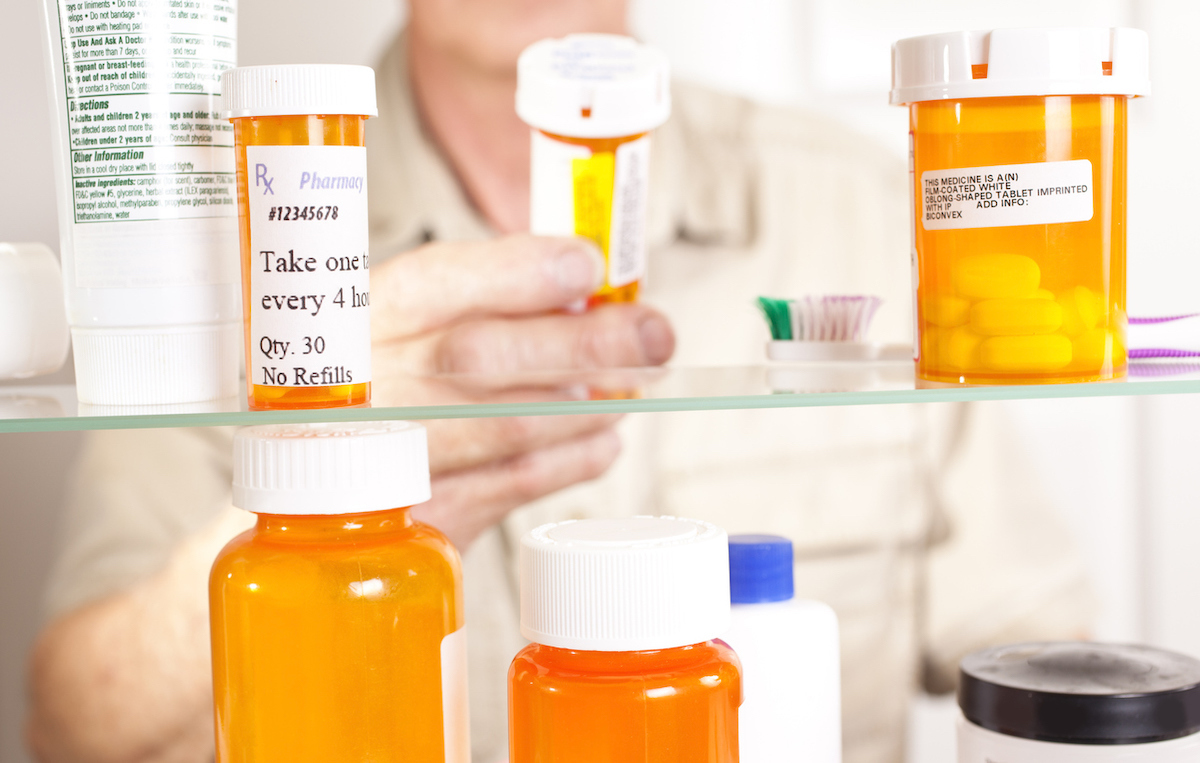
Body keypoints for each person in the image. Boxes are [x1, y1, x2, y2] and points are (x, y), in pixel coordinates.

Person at [25, 1, 1094, 762]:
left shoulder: (857, 208)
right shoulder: (230, 249)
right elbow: (76, 729)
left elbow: (1054, 675)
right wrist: (326, 519)